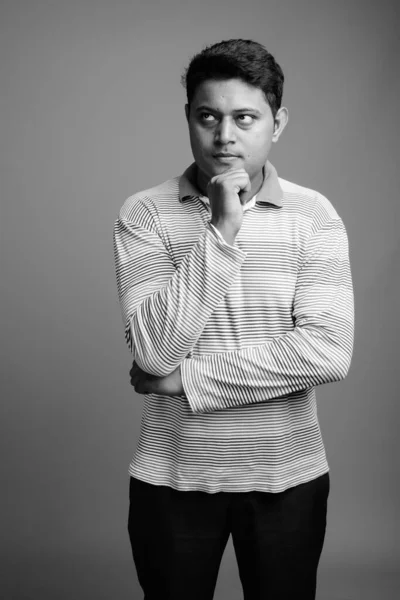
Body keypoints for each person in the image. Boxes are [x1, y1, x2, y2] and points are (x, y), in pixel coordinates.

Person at [113, 38, 354, 600]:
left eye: (245, 117)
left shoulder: (314, 215)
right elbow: (153, 352)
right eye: (208, 117)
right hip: (172, 476)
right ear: (189, 120)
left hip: (286, 478)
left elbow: (327, 352)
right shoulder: (143, 213)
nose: (224, 136)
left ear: (277, 122)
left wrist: (184, 381)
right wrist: (222, 231)